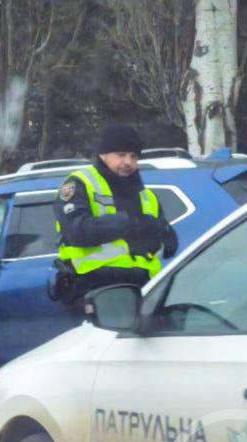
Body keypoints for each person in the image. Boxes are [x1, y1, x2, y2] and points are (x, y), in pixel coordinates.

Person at [53, 124, 179, 313]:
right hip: (94, 289)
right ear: (103, 154)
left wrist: (160, 233)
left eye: (134, 156)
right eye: (120, 155)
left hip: (143, 290)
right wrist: (129, 224)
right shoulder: (79, 183)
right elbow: (78, 231)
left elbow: (169, 243)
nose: (128, 162)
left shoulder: (147, 195)